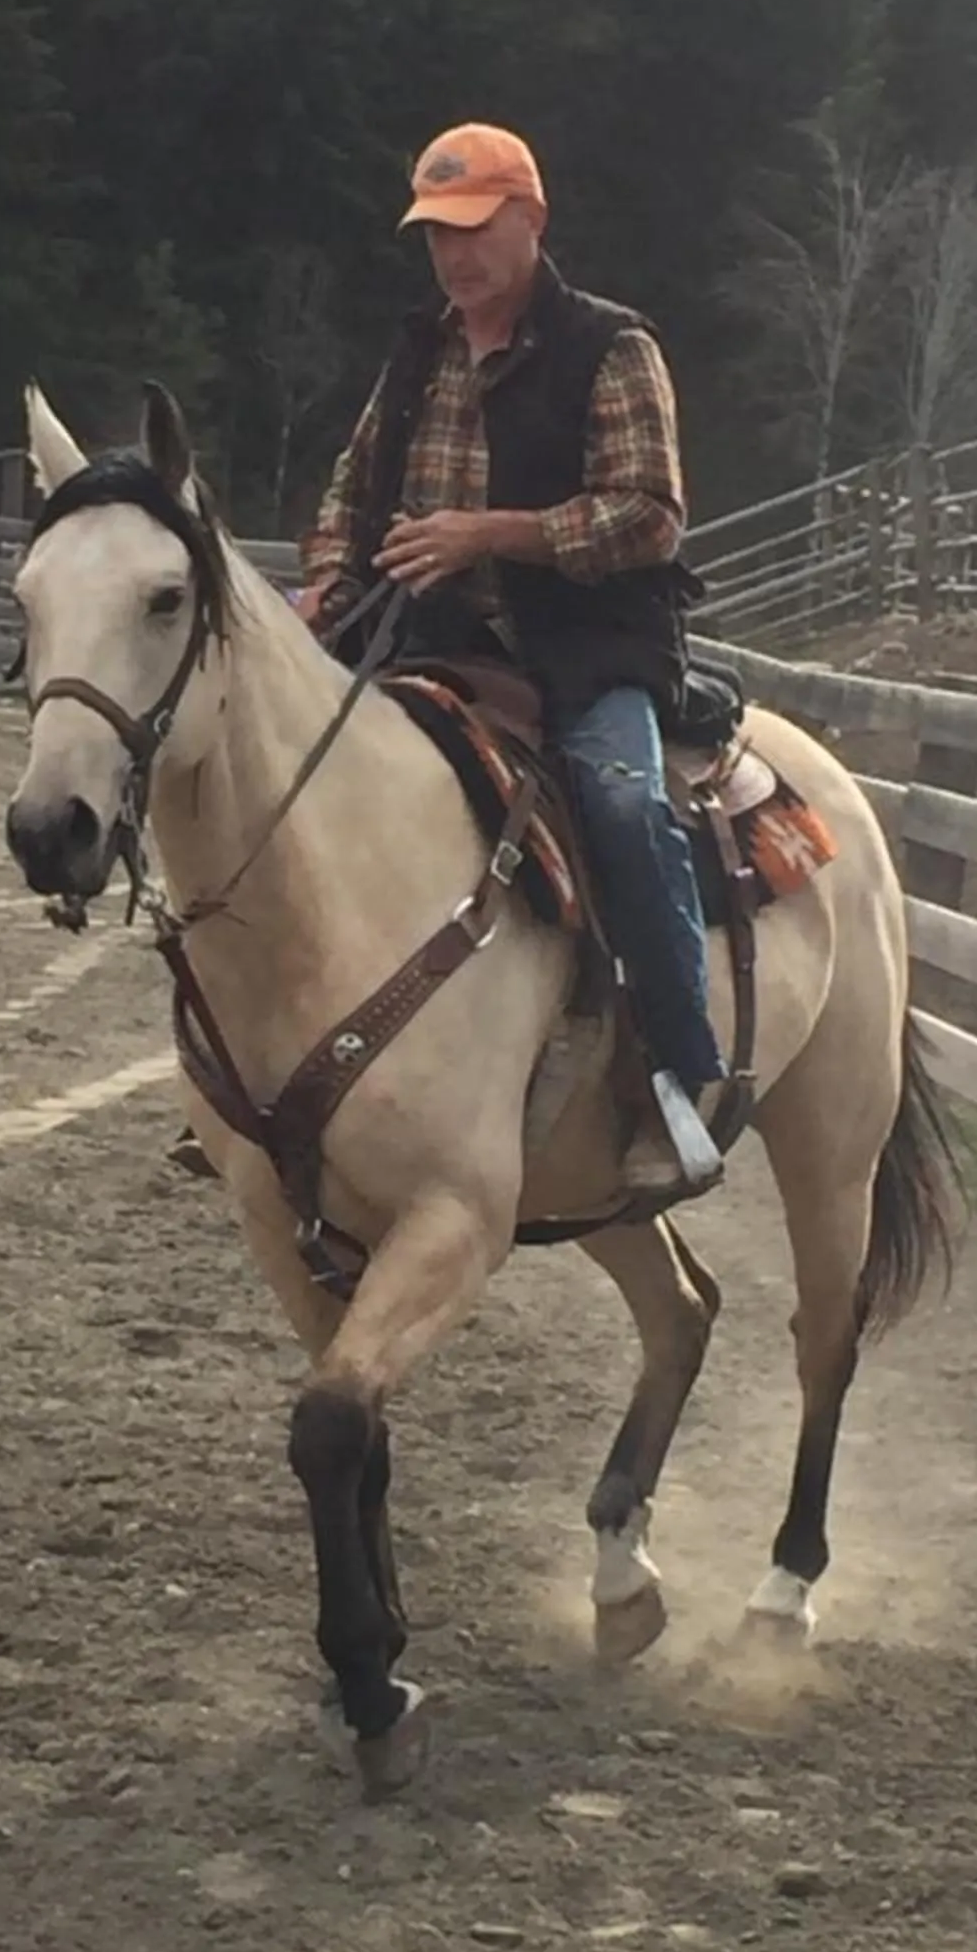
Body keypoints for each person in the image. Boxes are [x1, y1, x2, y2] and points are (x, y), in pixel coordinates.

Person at [295, 121, 728, 1193]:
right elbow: (352, 494)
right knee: (297, 785)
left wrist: (495, 533)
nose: (454, 255)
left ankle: (680, 1080)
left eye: (475, 229)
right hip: (428, 635)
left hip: (580, 645)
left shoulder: (611, 348)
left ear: (530, 222)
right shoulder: (418, 354)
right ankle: (289, 1075)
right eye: (437, 234)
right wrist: (328, 589)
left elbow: (650, 514)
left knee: (625, 807)